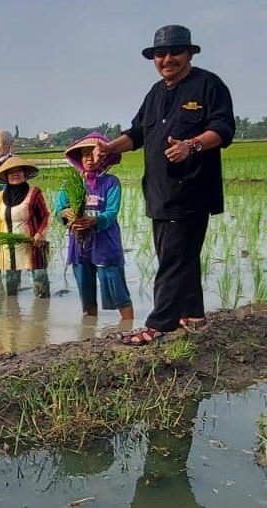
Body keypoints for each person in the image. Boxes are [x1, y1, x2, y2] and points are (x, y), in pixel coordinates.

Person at [94, 25, 235, 345]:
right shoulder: (156, 93)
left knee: (174, 256)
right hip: (158, 190)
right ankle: (193, 314)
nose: (167, 59)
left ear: (189, 53)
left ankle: (160, 323)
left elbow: (224, 129)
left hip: (191, 188)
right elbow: (137, 134)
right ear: (154, 58)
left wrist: (192, 146)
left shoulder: (208, 85)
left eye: (175, 52)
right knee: (179, 254)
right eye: (160, 54)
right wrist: (110, 148)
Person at [54, 132, 134, 320]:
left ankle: (129, 326)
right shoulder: (71, 184)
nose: (89, 158)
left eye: (94, 153)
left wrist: (94, 221)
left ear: (104, 156)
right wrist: (66, 215)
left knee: (118, 292)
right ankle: (88, 334)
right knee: (86, 297)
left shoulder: (111, 182)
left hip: (105, 244)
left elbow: (111, 212)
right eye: (85, 154)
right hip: (79, 245)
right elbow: (59, 210)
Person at [0, 156, 50, 297]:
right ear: (6, 177)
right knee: (10, 292)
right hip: (7, 249)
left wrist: (40, 234)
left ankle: (42, 317)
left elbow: (46, 215)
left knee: (41, 290)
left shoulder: (35, 193)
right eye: (11, 172)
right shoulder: (0, 197)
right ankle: (12, 318)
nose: (15, 174)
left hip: (33, 246)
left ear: (25, 174)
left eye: (19, 171)